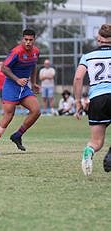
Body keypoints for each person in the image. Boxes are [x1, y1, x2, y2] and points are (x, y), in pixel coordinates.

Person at [0, 28, 41, 155]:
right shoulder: (16, 52)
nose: (28, 42)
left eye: (30, 40)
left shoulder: (36, 52)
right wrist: (16, 80)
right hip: (11, 86)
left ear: (34, 40)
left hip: (24, 87)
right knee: (9, 115)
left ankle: (17, 135)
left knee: (36, 111)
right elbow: (4, 68)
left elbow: (34, 66)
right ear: (22, 39)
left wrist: (34, 82)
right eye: (25, 40)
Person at [73, 23, 111, 176]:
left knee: (96, 142)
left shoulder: (88, 57)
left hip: (97, 99)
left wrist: (77, 101)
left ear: (98, 39)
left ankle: (88, 153)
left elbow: (78, 78)